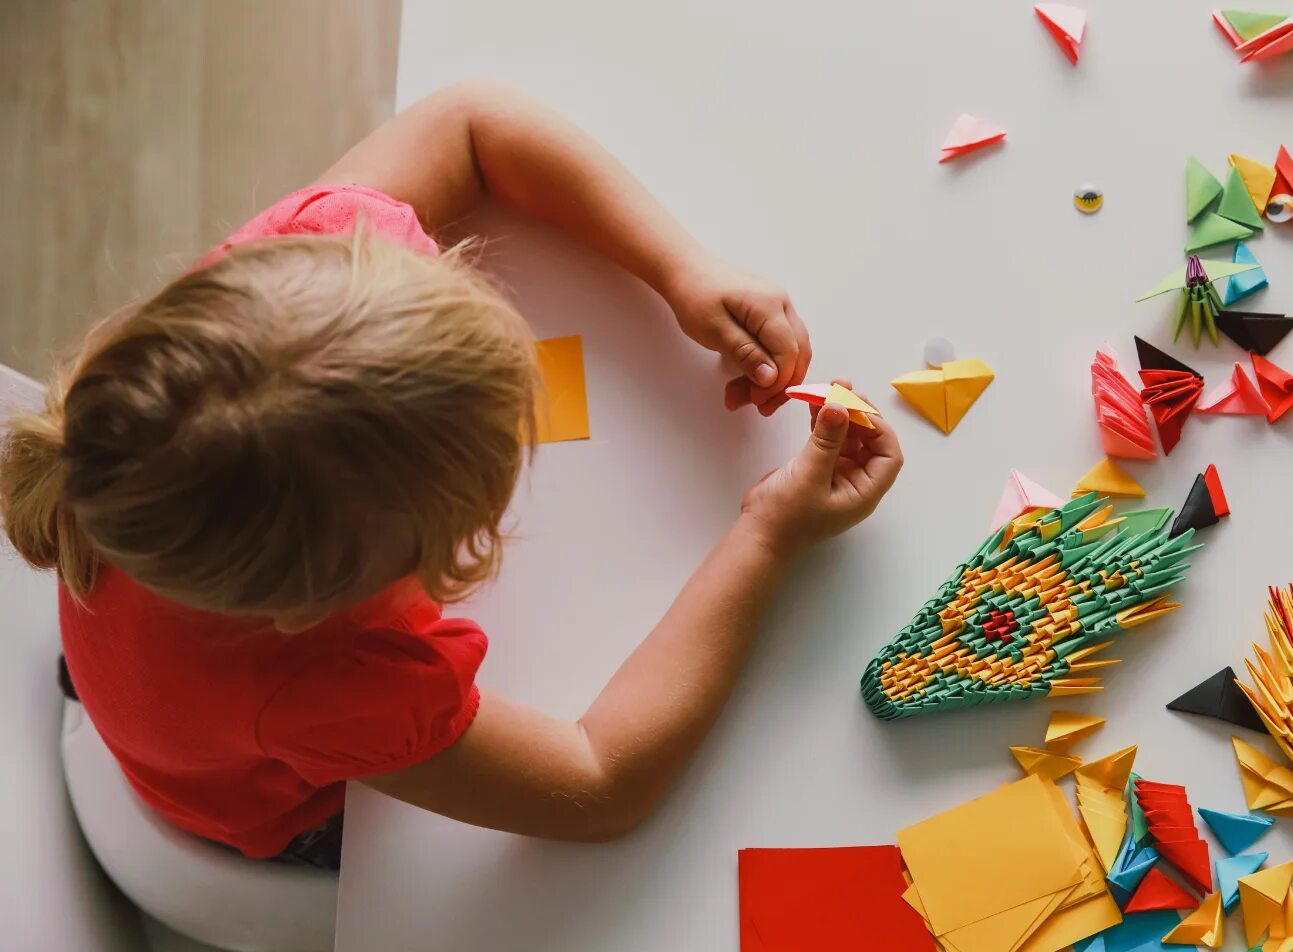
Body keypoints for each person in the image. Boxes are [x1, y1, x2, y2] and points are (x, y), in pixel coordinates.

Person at [0, 81, 902, 868]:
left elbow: (473, 125)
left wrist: (681, 267)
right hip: (252, 808)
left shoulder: (289, 288)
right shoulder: (330, 683)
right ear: (342, 589)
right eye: (475, 503)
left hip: (147, 666)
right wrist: (767, 534)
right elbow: (601, 782)